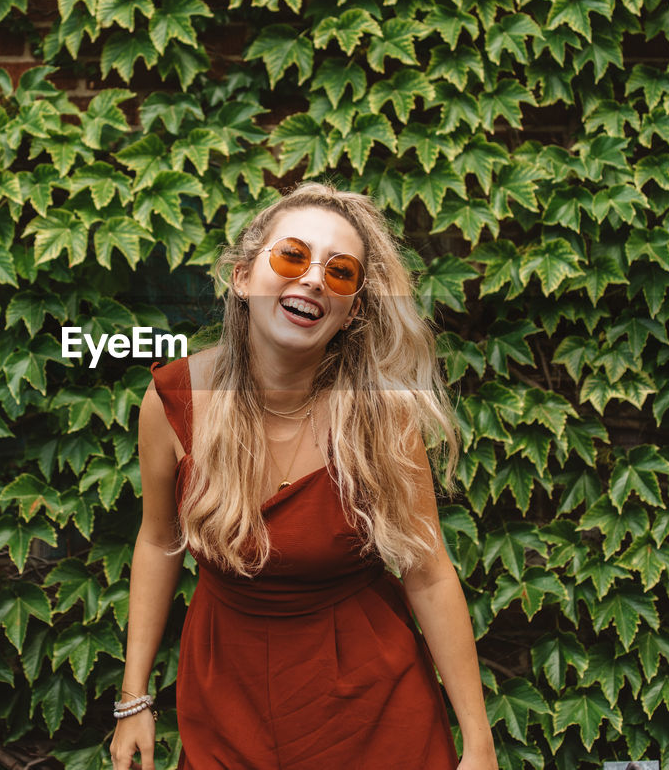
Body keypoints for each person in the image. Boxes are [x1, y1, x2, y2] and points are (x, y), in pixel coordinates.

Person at [110, 183, 497, 770]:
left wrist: (479, 742)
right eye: (292, 256)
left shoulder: (382, 416)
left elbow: (427, 572)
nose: (314, 279)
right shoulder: (174, 399)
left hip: (373, 707)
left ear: (353, 311)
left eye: (340, 273)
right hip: (226, 699)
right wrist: (134, 697)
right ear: (242, 277)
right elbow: (159, 540)